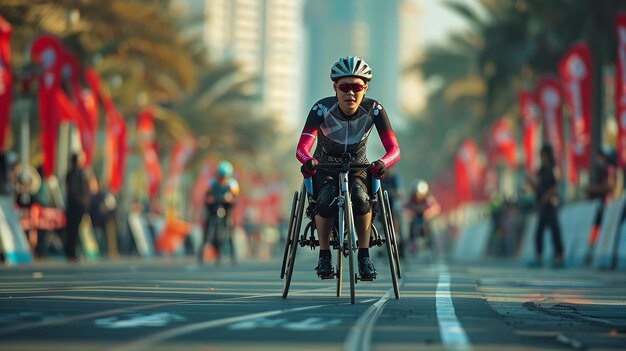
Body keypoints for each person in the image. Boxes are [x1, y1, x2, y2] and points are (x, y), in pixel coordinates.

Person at [295, 55, 400, 279]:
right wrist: (308, 161)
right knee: (326, 199)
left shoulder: (375, 110)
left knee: (361, 198)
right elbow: (302, 147)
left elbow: (394, 149)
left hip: (357, 165)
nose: (350, 93)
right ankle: (324, 256)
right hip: (324, 165)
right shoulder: (321, 109)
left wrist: (383, 163)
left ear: (365, 88)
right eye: (344, 87)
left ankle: (364, 257)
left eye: (357, 87)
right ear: (335, 87)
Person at [527, 144, 564, 268]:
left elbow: (555, 187)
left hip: (551, 205)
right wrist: (531, 184)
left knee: (555, 231)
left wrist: (546, 197)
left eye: (542, 155)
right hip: (542, 206)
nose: (541, 158)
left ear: (547, 155)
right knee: (538, 233)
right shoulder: (541, 171)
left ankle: (559, 256)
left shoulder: (553, 169)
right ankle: (539, 257)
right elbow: (537, 188)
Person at [202, 160, 240, 264]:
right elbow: (206, 196)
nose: (222, 178)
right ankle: (204, 245)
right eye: (221, 175)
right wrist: (209, 199)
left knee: (229, 225)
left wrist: (230, 199)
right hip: (214, 207)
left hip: (226, 207)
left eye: (224, 176)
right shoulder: (212, 183)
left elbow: (235, 198)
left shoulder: (232, 184)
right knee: (208, 224)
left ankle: (232, 252)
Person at [64, 153, 91, 261]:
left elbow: (67, 189)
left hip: (71, 205)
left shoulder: (69, 174)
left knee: (71, 230)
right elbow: (85, 189)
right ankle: (73, 252)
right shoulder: (81, 174)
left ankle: (71, 252)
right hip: (79, 205)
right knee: (75, 230)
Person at [404, 179, 440, 256]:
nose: (418, 197)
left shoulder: (428, 198)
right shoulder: (411, 198)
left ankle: (429, 243)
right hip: (414, 219)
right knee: (411, 225)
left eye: (420, 194)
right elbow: (406, 207)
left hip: (425, 220)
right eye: (416, 194)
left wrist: (429, 213)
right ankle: (412, 243)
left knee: (427, 226)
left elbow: (436, 208)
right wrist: (409, 212)